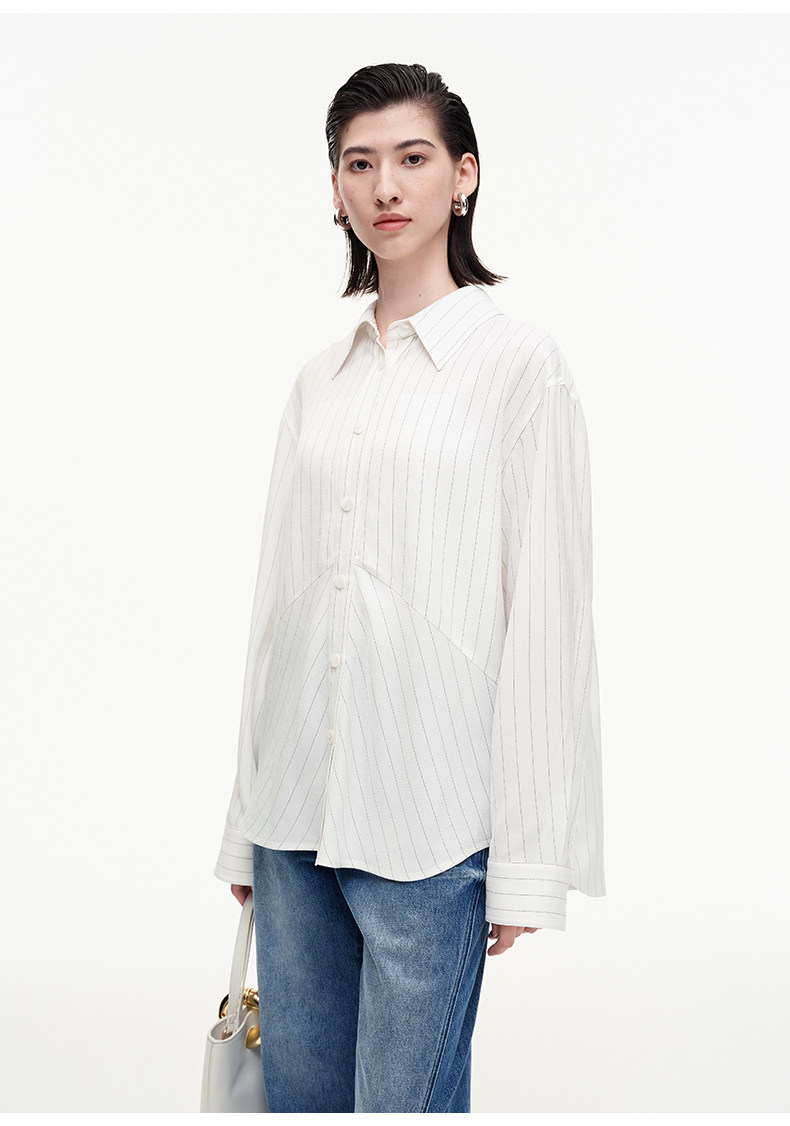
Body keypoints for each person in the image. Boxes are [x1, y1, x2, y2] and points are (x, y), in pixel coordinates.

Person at [213, 62, 605, 1113]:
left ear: (463, 176)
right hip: (293, 819)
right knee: (298, 1105)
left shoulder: (520, 366)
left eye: (412, 158)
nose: (384, 186)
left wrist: (528, 859)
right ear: (336, 188)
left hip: (431, 829)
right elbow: (277, 610)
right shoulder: (320, 379)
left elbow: (547, 621)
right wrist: (244, 814)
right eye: (359, 163)